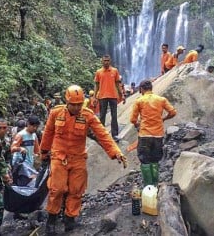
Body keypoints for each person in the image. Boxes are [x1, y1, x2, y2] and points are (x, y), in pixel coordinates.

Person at [40, 85, 127, 235]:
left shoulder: (88, 115)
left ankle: (70, 219)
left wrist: (116, 152)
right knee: (57, 188)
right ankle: (52, 220)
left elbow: (103, 134)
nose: (76, 107)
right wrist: (43, 152)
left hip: (78, 158)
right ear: (67, 102)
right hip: (59, 157)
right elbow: (48, 133)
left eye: (79, 104)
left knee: (76, 190)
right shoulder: (56, 113)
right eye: (73, 104)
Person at [130, 80, 177, 187]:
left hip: (144, 135)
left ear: (141, 89)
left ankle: (148, 186)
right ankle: (155, 185)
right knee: (155, 159)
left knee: (144, 160)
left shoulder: (139, 101)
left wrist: (138, 125)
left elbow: (132, 119)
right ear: (151, 88)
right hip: (158, 135)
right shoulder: (161, 100)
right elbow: (173, 112)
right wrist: (164, 118)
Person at [94, 55, 125, 142]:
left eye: (107, 60)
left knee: (114, 116)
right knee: (102, 116)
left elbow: (118, 84)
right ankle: (102, 134)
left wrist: (122, 95)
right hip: (102, 96)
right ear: (102, 61)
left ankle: (114, 135)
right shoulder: (98, 72)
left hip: (113, 96)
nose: (106, 62)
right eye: (104, 60)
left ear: (110, 61)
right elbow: (96, 85)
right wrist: (94, 97)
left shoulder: (115, 71)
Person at [0, 118, 12, 236]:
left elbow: (8, 159)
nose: (3, 130)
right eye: (0, 128)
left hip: (0, 180)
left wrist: (8, 172)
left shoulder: (7, 142)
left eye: (5, 128)